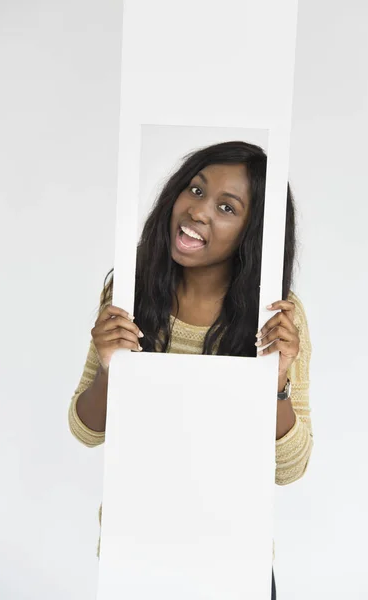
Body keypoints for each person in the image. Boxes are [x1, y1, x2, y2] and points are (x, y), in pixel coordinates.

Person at [68, 140, 313, 599]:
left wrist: (277, 384)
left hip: (234, 561)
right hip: (134, 552)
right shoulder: (129, 294)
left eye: (226, 206)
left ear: (252, 231)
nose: (199, 211)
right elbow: (86, 431)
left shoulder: (279, 317)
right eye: (196, 190)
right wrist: (109, 369)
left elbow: (290, 468)